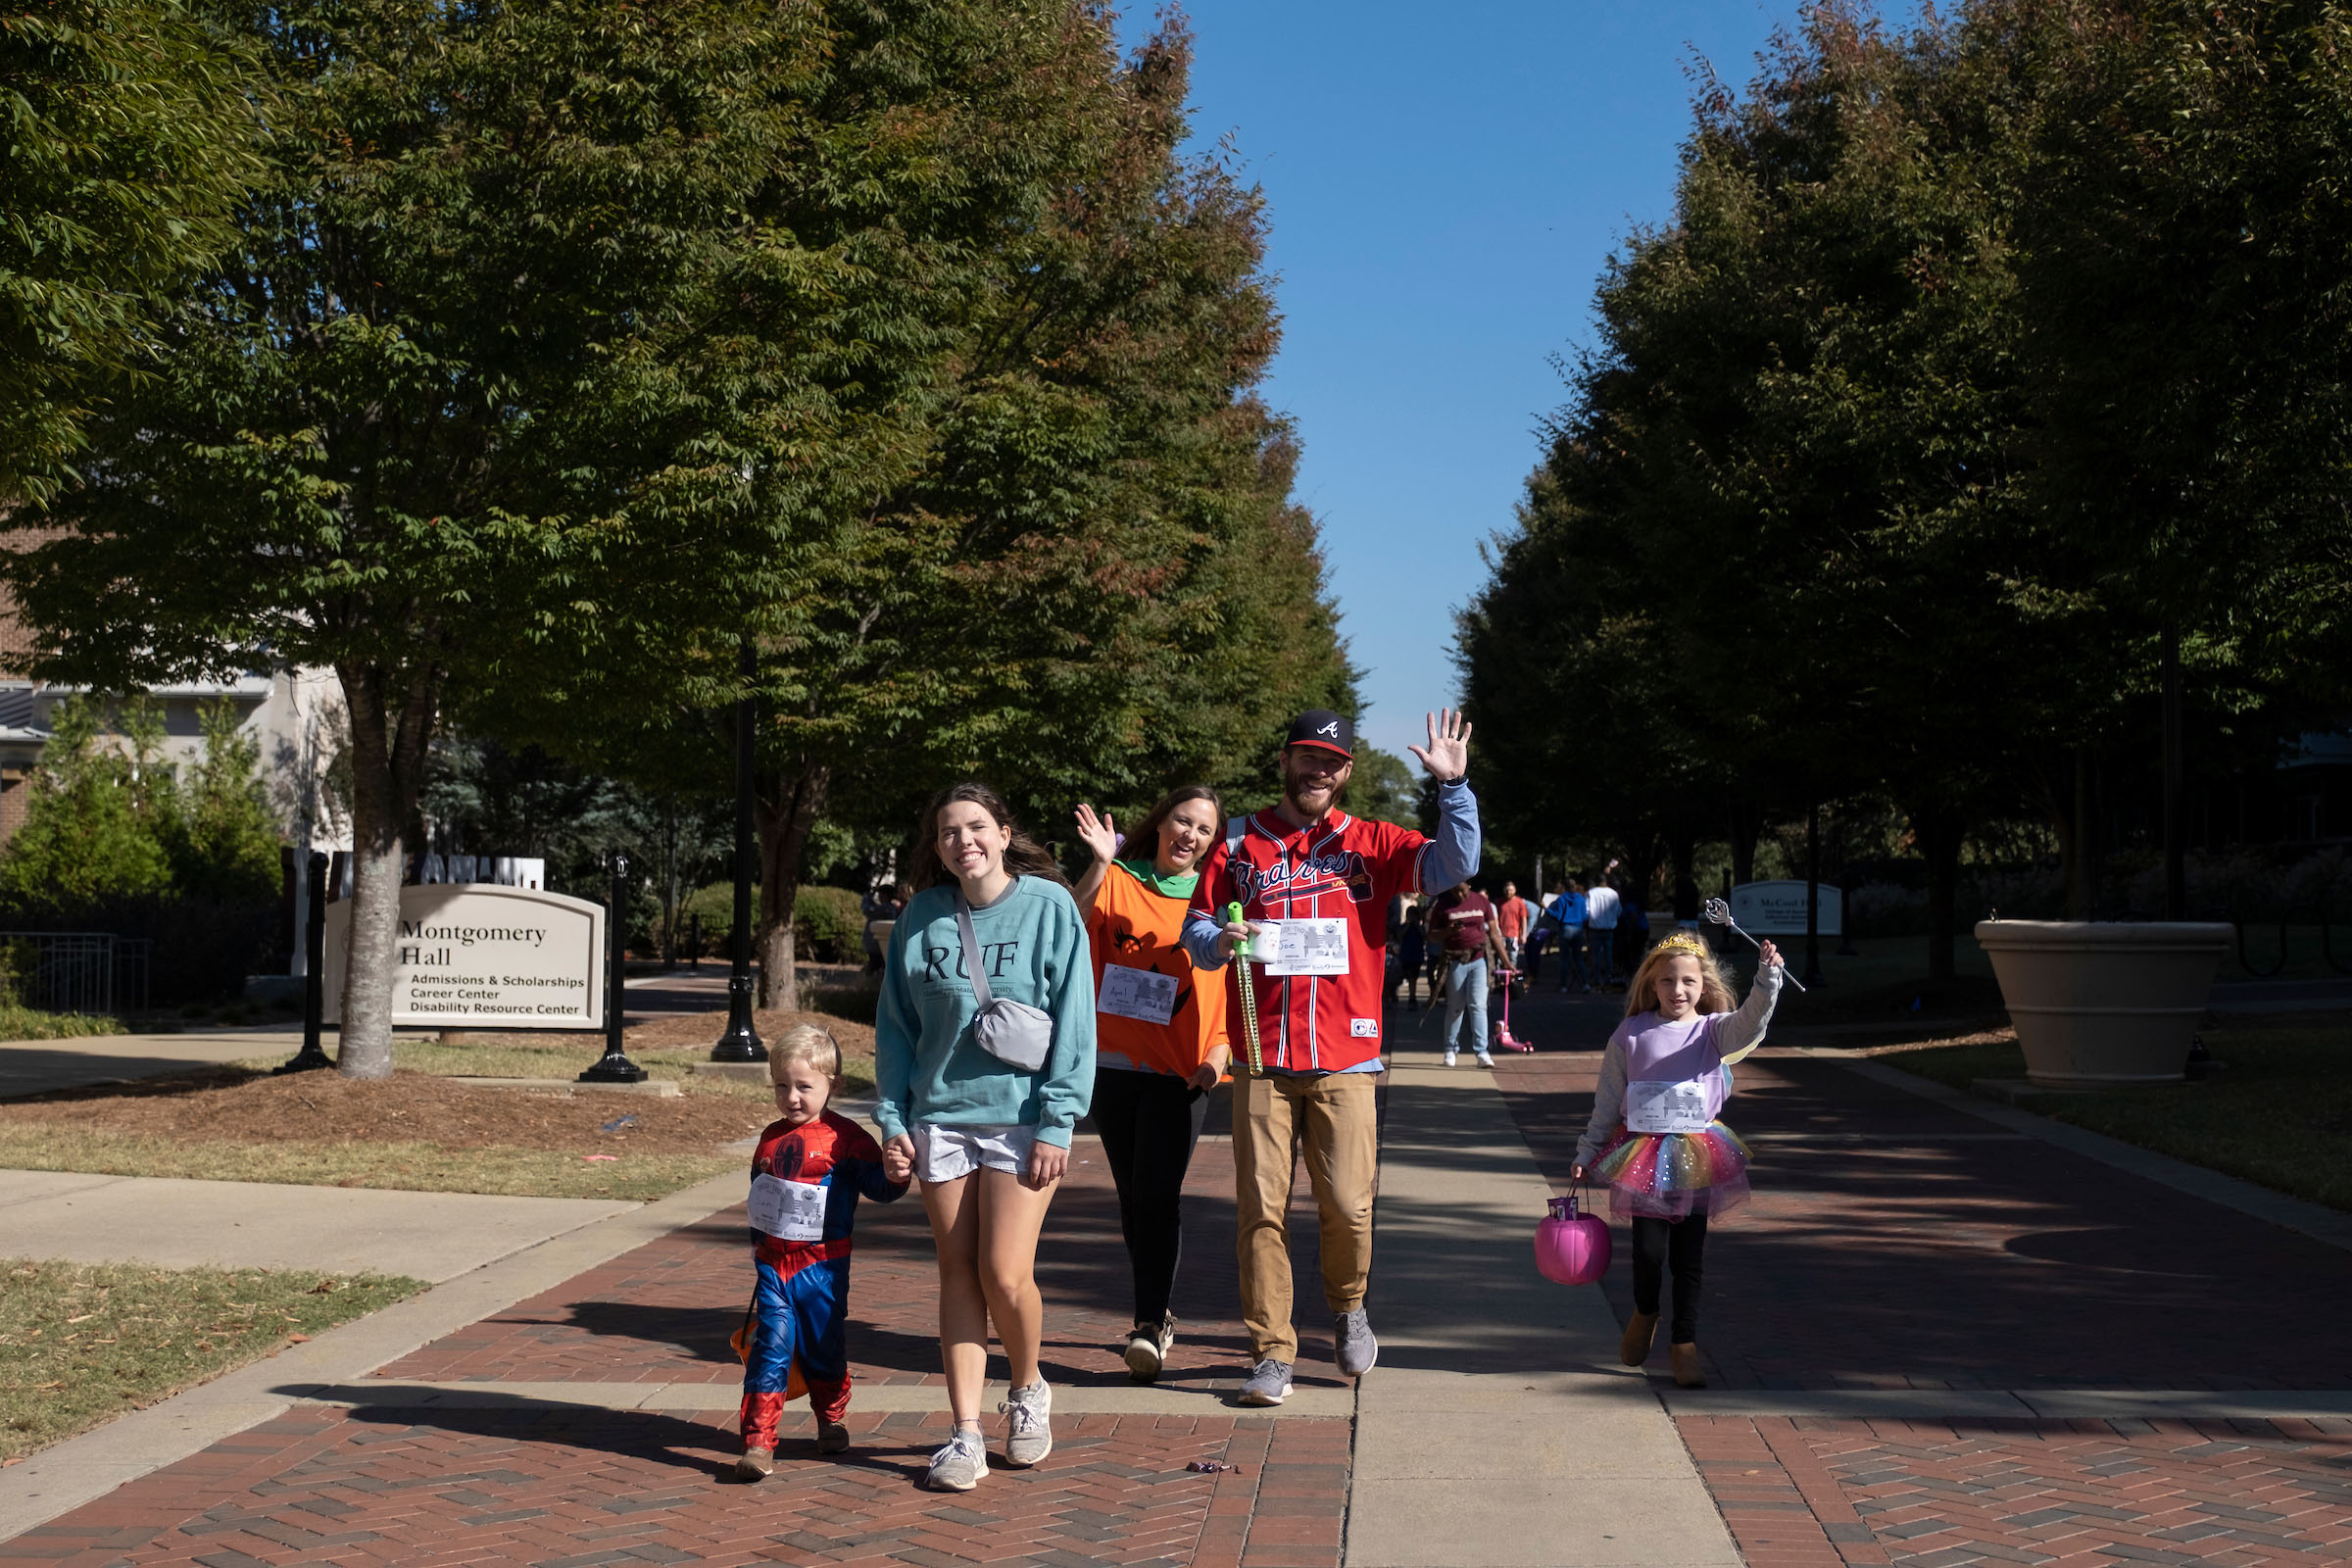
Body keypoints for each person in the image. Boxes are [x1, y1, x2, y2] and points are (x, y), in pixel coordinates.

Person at [1186, 709, 1481, 1406]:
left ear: (1347, 772)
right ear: (1285, 761)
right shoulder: (1236, 844)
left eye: (1332, 762)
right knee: (1261, 1208)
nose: (1319, 770)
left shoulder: (1374, 841)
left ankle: (1348, 1306)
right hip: (1261, 1055)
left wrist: (1454, 790)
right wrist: (1219, 942)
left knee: (1348, 1205)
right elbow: (1197, 926)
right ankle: (1272, 1352)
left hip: (1347, 1056)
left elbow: (1455, 864)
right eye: (1308, 757)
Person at [875, 783, 1096, 1492]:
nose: (962, 840)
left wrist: (1060, 1118)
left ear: (1004, 833)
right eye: (948, 832)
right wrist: (891, 1118)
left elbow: (1075, 1019)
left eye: (976, 827)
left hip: (1024, 1118)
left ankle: (1028, 1389)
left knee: (1004, 1272)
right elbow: (896, 1030)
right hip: (940, 1115)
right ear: (936, 846)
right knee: (957, 1272)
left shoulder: (1049, 906)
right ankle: (964, 1431)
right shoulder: (920, 919)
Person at [1569, 930, 1783, 1390]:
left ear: (1702, 986)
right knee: (1647, 1252)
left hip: (1697, 1155)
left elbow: (1750, 1022)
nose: (1678, 990)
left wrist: (1767, 979)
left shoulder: (1712, 1031)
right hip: (1643, 1154)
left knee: (1688, 1259)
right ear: (1652, 985)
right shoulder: (1631, 1033)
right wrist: (1588, 1150)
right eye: (1667, 981)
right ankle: (1646, 1311)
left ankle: (1683, 1344)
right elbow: (1608, 1097)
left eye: (1688, 981)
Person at [1071, 787, 1233, 1384]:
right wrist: (1098, 862)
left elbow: (1225, 992)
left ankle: (1145, 1325)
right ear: (1160, 824)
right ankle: (1158, 1313)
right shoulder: (1118, 879)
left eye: (1204, 830)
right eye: (1182, 822)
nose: (1189, 836)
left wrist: (1218, 1058)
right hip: (1112, 1069)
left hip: (1181, 1076)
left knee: (1157, 1195)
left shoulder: (1214, 901)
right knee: (1131, 1198)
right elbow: (1068, 921)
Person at [735, 1025, 908, 1479]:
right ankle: (758, 1441)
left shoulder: (847, 1139)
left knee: (823, 1348)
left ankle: (831, 1416)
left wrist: (894, 1173)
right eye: (781, 1086)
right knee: (770, 1347)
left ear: (834, 1085)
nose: (791, 1096)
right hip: (775, 1265)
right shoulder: (770, 1138)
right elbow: (760, 1193)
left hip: (824, 1266)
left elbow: (881, 1190)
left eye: (803, 1086)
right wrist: (759, 1243)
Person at [1428, 878, 1505, 1068]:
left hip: (1478, 959)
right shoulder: (1443, 905)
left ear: (1468, 886)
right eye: (1455, 892)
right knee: (1455, 1007)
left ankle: (1482, 1052)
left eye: (1462, 891)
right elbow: (1431, 935)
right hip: (1455, 961)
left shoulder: (1481, 901)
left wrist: (1507, 961)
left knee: (1478, 1006)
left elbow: (1494, 932)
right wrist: (1447, 931)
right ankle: (1450, 1049)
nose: (1460, 895)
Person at [1543, 878, 1590, 994]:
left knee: (1564, 959)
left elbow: (1557, 915)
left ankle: (1564, 985)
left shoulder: (1562, 899)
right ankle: (1586, 983)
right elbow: (1585, 916)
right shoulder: (1580, 899)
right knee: (1578, 959)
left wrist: (1547, 909)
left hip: (1565, 928)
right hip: (1578, 929)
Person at [1583, 862, 1622, 990]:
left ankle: (1596, 979)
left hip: (1595, 928)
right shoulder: (1613, 894)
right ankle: (1607, 978)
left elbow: (1586, 911)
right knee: (1608, 955)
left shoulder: (1591, 893)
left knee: (1596, 955)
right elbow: (1619, 912)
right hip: (1609, 929)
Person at [1390, 905, 1429, 1009]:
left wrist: (1417, 925)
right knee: (1402, 977)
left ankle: (1412, 998)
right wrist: (1408, 925)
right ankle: (1394, 994)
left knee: (1413, 978)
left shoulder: (1419, 928)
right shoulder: (1403, 926)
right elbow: (1400, 936)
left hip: (1416, 956)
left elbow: (1425, 937)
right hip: (1405, 956)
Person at [1494, 880, 1535, 969]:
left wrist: (1524, 934)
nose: (1509, 892)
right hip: (1501, 934)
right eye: (1507, 890)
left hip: (1514, 934)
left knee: (1513, 957)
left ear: (1515, 890)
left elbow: (1523, 919)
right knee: (1500, 957)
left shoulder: (1519, 902)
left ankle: (1512, 978)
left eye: (1511, 890)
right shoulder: (1499, 903)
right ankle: (1501, 979)